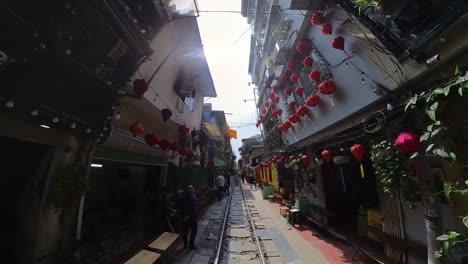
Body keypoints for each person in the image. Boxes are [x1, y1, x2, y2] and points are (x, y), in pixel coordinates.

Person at [181, 185, 198, 250]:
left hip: (185, 216)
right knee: (194, 230)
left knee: (185, 231)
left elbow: (181, 206)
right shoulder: (193, 197)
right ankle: (191, 245)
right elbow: (194, 205)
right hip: (191, 216)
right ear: (191, 190)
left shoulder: (183, 196)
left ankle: (185, 245)